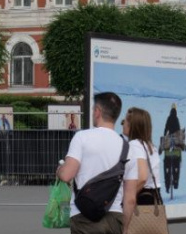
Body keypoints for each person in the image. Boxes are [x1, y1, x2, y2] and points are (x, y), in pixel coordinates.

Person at [57, 92, 136, 234]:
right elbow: (130, 198)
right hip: (114, 217)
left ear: (98, 111)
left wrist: (59, 169)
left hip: (84, 217)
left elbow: (66, 175)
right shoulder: (127, 148)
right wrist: (125, 228)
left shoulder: (82, 137)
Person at [121, 107, 162, 230]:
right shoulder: (149, 145)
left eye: (125, 121)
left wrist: (125, 196)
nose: (122, 124)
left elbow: (142, 177)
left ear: (133, 125)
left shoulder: (135, 145)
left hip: (142, 199)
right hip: (153, 197)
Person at [162, 103, 185, 199]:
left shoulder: (168, 118)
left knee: (166, 165)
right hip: (176, 143)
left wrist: (165, 136)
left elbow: (166, 128)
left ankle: (167, 185)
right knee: (177, 163)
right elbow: (179, 131)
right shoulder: (177, 119)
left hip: (168, 143)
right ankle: (175, 182)